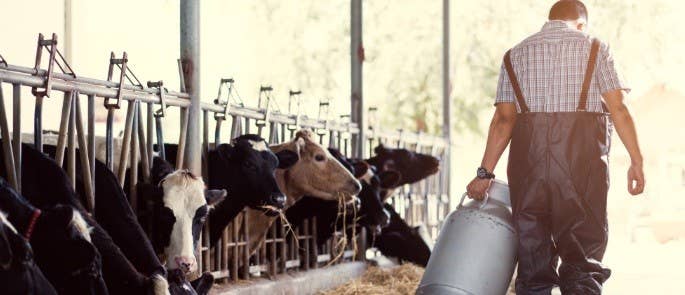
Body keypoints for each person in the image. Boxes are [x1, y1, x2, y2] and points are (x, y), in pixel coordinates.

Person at [466, 1, 645, 294]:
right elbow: (619, 109)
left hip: (528, 170)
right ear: (582, 23)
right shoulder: (596, 48)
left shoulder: (515, 55)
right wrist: (636, 160)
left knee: (533, 261)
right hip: (581, 169)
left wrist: (485, 173)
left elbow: (503, 120)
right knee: (582, 260)